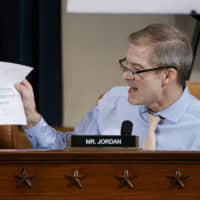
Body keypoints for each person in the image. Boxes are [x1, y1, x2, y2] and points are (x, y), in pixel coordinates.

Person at [15, 24, 200, 150]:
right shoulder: (113, 102)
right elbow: (66, 149)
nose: (126, 76)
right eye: (126, 65)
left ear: (167, 76)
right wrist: (31, 117)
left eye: (136, 70)